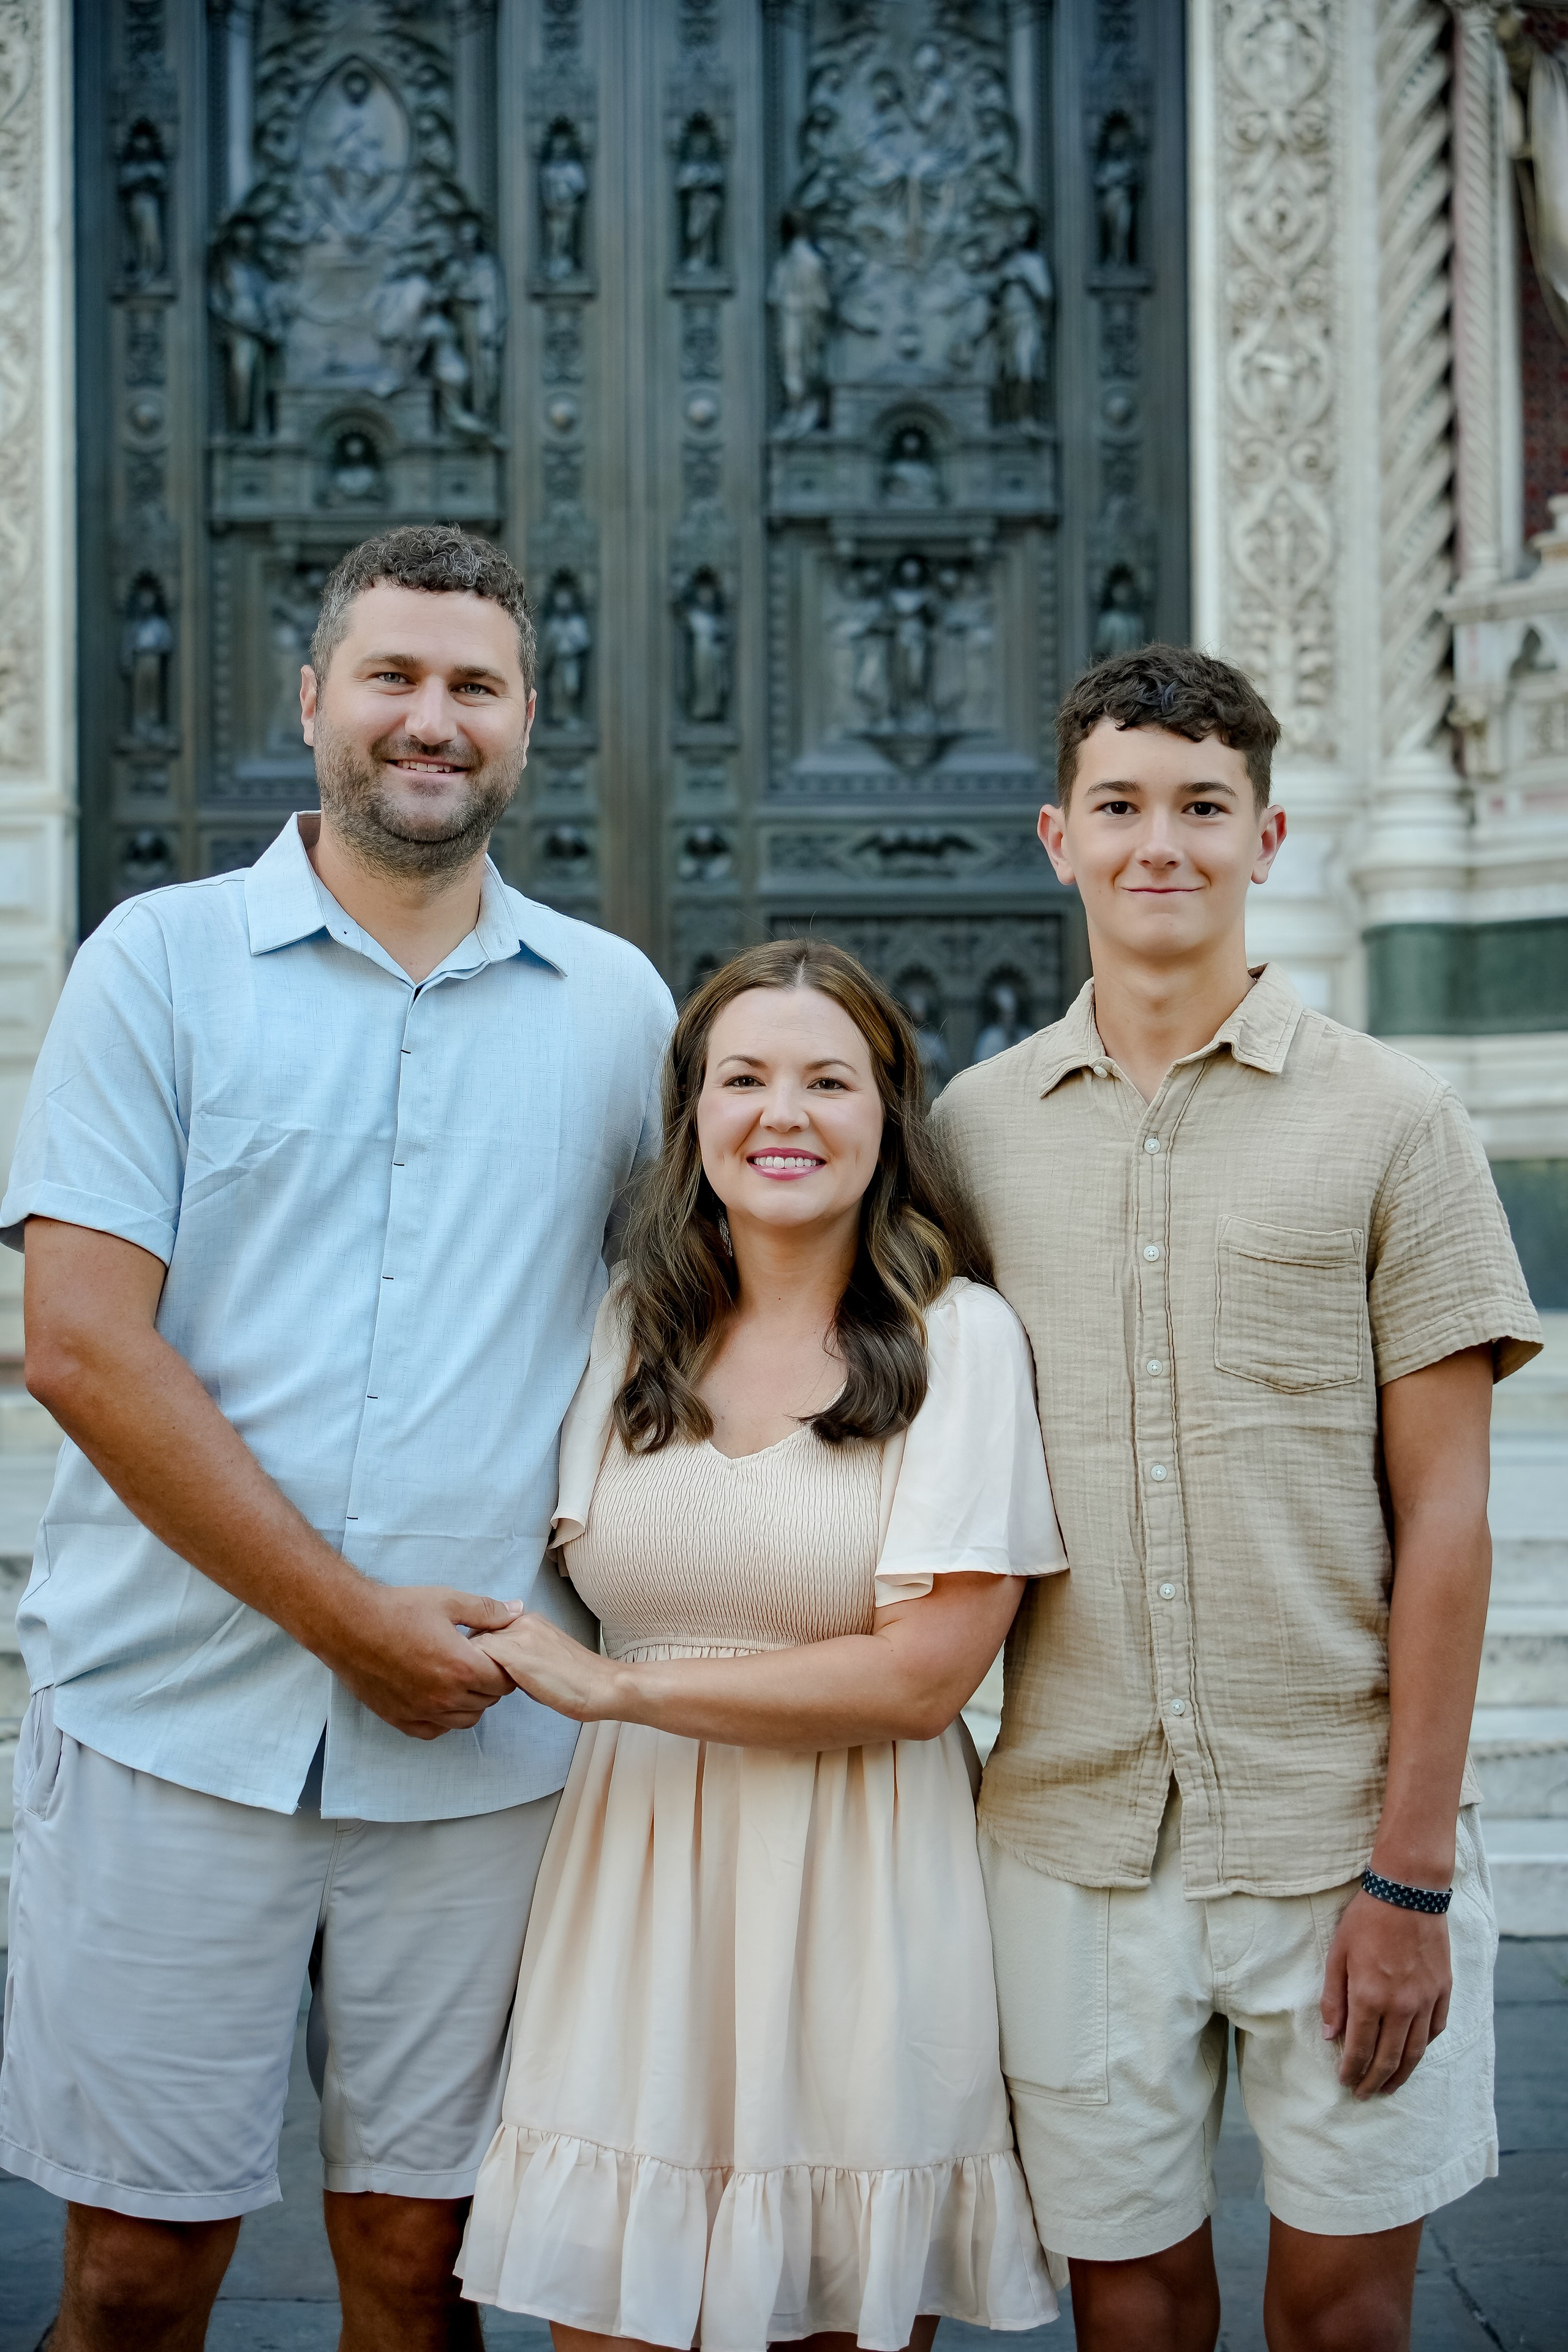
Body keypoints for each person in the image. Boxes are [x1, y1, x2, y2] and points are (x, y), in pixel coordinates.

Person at [0, 524, 674, 2352]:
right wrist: (343, 1618)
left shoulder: (621, 1012)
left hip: (482, 1758)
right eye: (392, 676)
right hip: (169, 1731)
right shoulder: (158, 965)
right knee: (136, 2279)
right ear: (313, 702)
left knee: (423, 2263)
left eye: (475, 686)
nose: (430, 719)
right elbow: (77, 1349)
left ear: (529, 722)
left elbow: (705, 1331)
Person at [930, 644, 1542, 2352]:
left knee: (1344, 2319)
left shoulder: (1399, 1122)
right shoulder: (973, 1135)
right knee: (1133, 2314)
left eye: (1205, 808)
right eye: (1121, 807)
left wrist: (1408, 1879)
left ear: (1269, 837)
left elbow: (1450, 1521)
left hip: (1333, 1835)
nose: (1161, 846)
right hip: (1070, 1837)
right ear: (1059, 837)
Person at [454, 938, 1065, 2351]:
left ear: (887, 1115)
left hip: (861, 1884)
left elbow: (924, 1679)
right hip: (633, 1877)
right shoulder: (625, 1330)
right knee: (606, 2316)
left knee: (834, 2314)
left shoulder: (957, 1340)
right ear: (692, 1116)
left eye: (825, 1081)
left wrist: (617, 1688)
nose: (779, 1114)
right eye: (741, 1078)